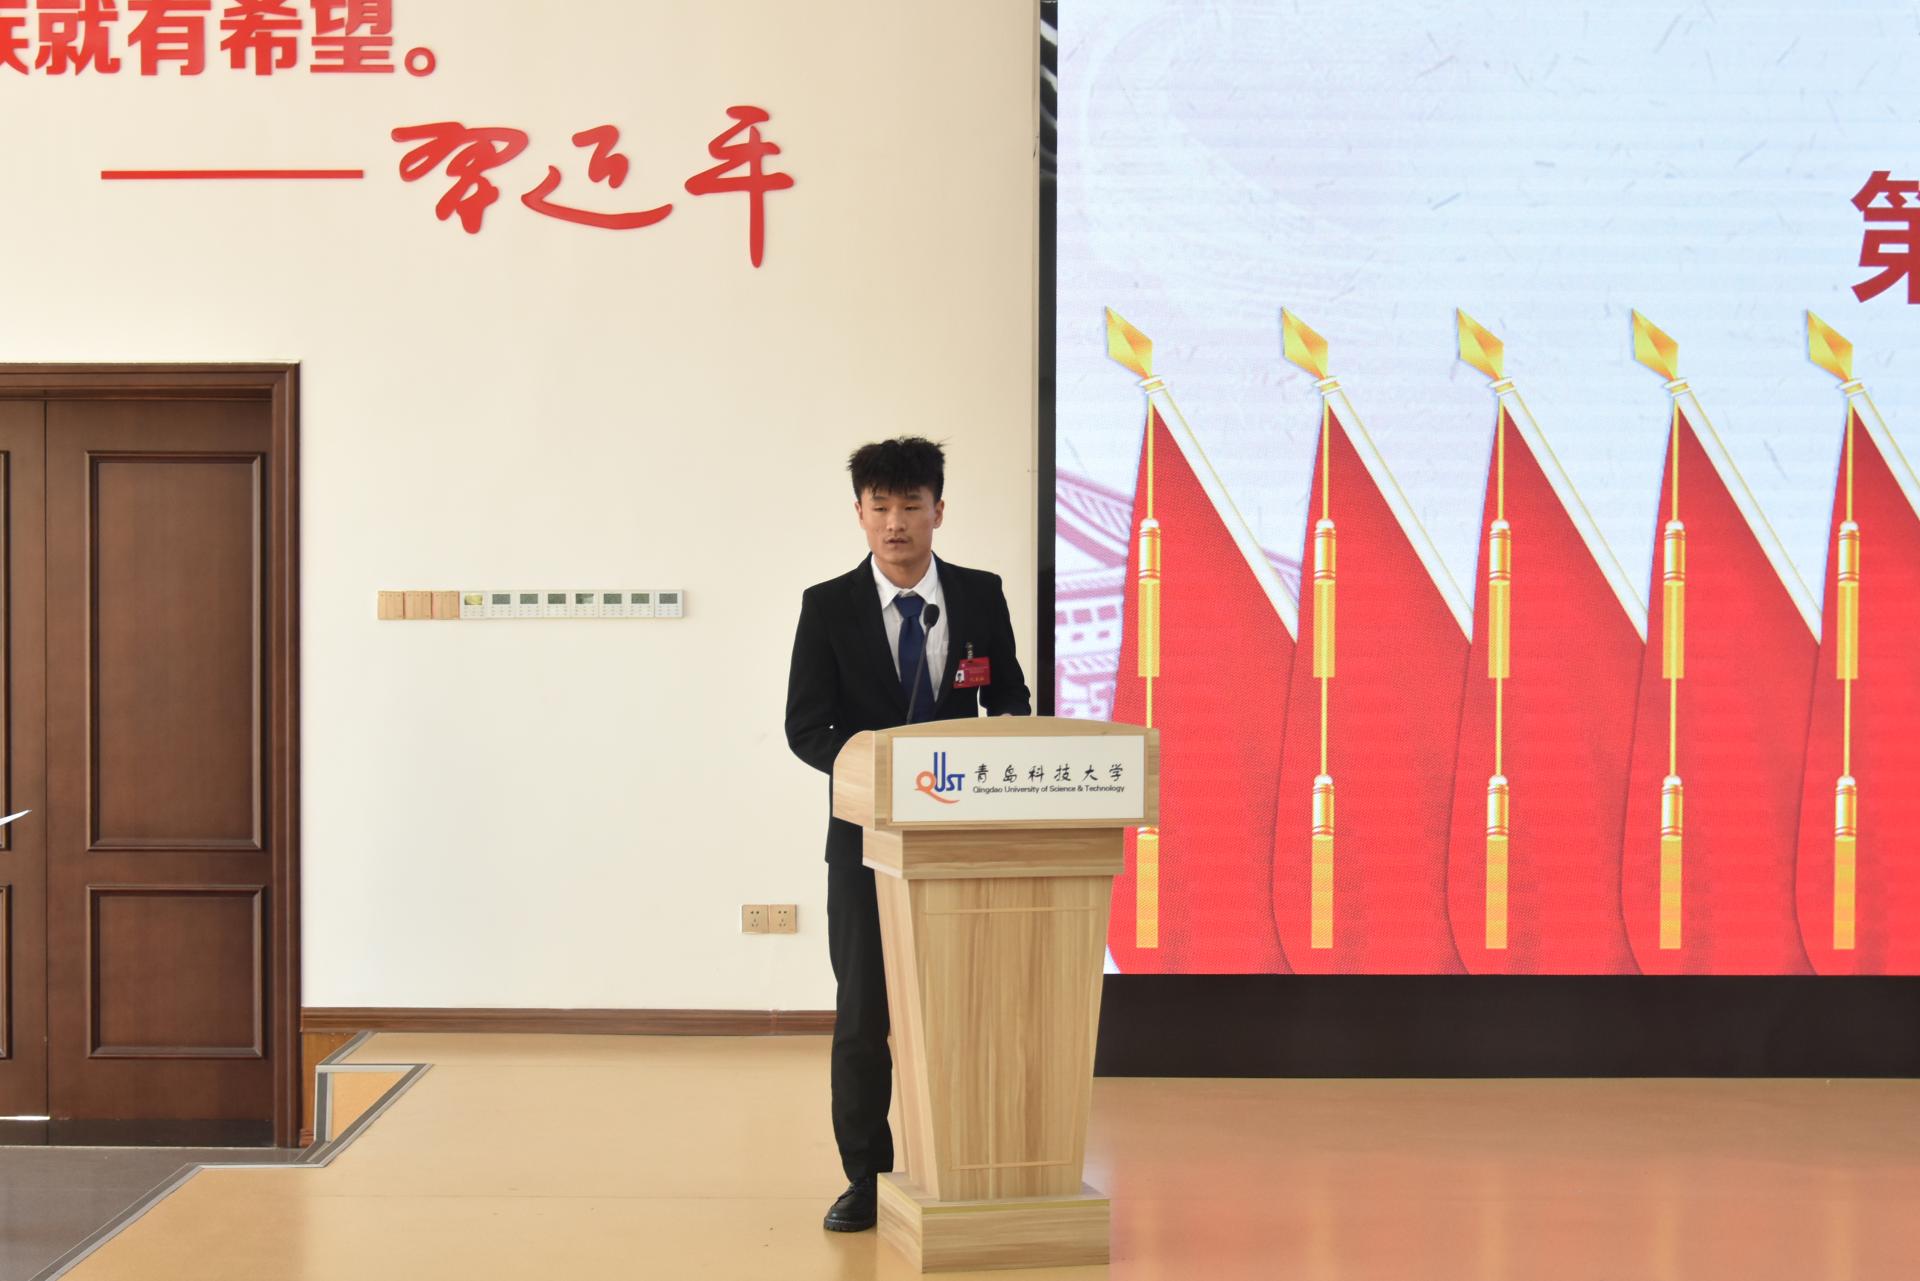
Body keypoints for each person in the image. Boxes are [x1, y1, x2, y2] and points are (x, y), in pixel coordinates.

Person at [784, 436, 1031, 1232]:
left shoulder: (981, 595)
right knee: (864, 1016)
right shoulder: (827, 606)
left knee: (964, 1008)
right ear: (859, 513)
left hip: (962, 845)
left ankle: (961, 1162)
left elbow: (1011, 701)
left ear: (938, 511)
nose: (896, 522)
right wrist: (878, 770)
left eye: (911, 505)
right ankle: (866, 1175)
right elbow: (805, 726)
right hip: (863, 844)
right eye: (880, 506)